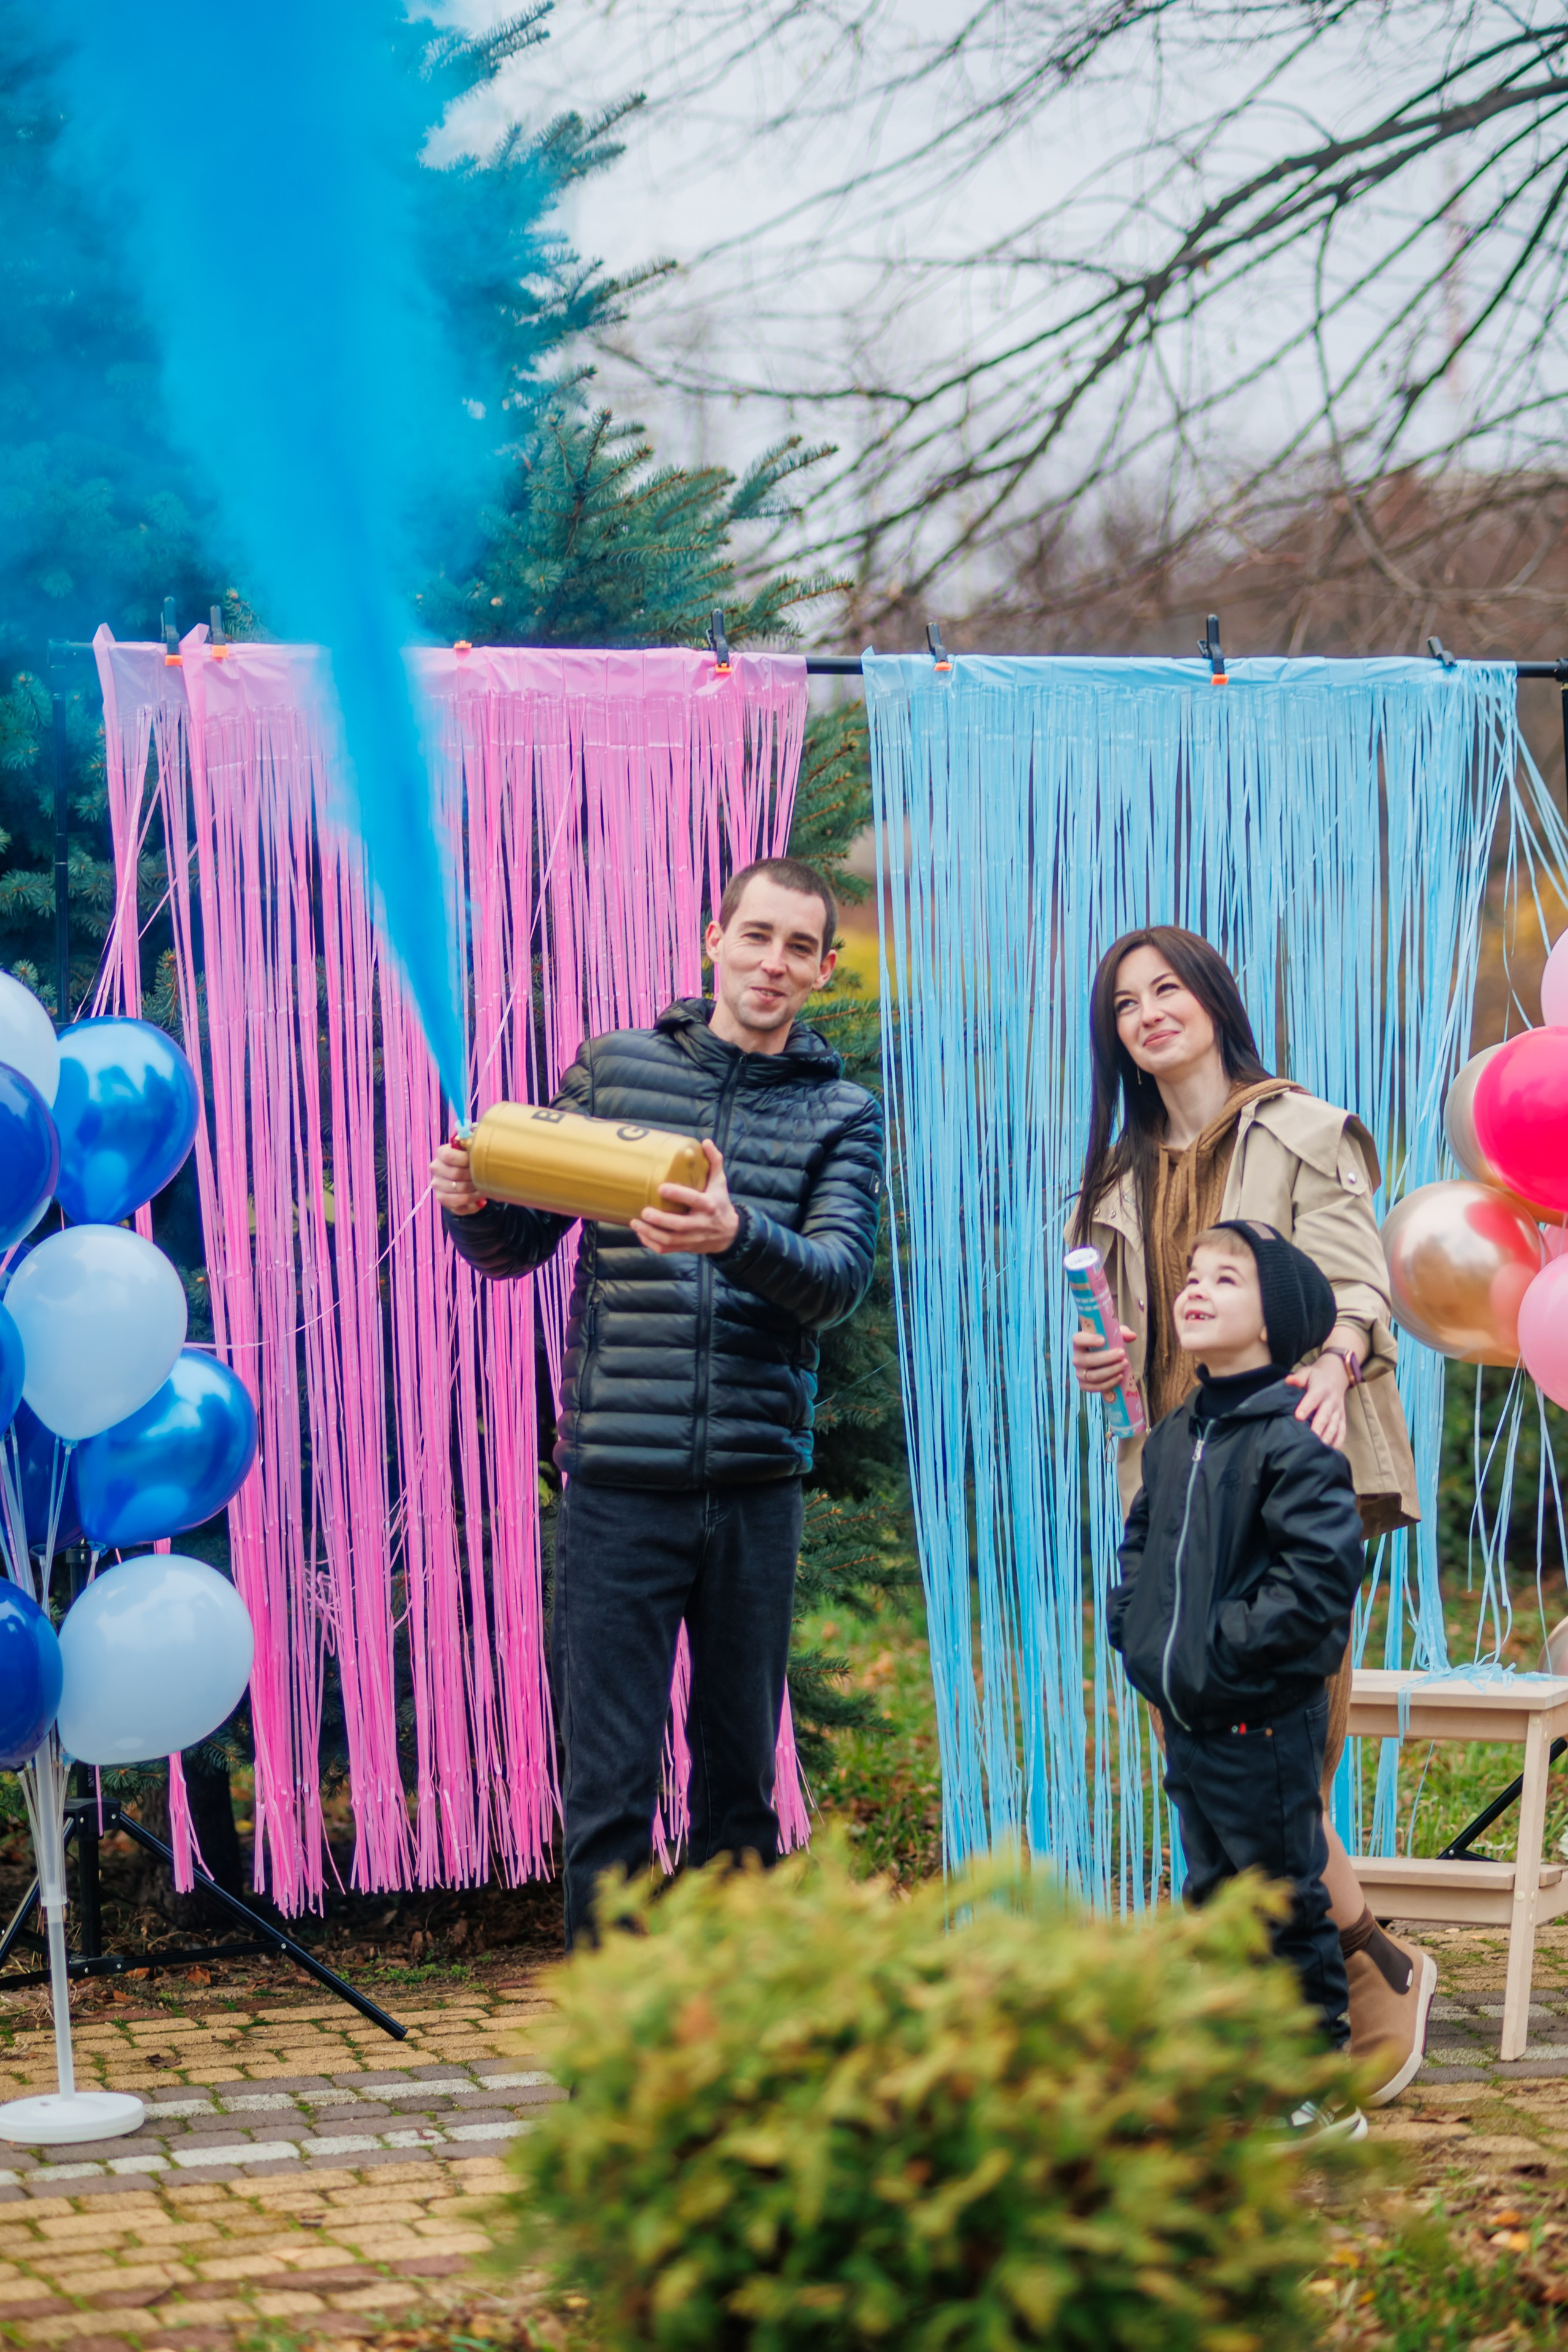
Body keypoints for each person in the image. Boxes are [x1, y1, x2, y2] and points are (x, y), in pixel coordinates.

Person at [430, 857, 883, 1947]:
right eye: (756, 935)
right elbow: (521, 1240)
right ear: (710, 939)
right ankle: (615, 2052)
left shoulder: (841, 1114)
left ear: (823, 971)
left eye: (798, 947)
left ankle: (726, 2037)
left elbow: (835, 1280)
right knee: (610, 1778)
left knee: (738, 1780)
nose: (772, 962)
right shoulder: (614, 1070)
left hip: (753, 1488)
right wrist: (471, 1207)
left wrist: (737, 1236)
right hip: (617, 1490)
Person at [1070, 924, 1436, 2104]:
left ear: (1215, 1002)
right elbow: (1143, 1346)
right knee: (1230, 1769)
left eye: (1167, 989)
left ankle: (1350, 1985)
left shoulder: (1301, 1128)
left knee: (1282, 1754)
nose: (1148, 1013)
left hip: (1291, 1461)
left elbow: (1357, 1277)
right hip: (1182, 1483)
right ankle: (1341, 1968)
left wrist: (1334, 1359)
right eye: (1126, 1003)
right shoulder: (1117, 1180)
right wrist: (1102, 1357)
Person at [1110, 1221, 1370, 2145]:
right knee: (1217, 1897)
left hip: (1259, 1720)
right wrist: (1136, 1632)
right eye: (1192, 1275)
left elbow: (1318, 1581)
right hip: (1188, 1714)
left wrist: (1225, 1652)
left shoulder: (1293, 1437)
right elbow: (1142, 1544)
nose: (1196, 1288)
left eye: (1227, 1278)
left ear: (1277, 1320)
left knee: (1282, 1896)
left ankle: (1317, 2092)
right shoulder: (1182, 1432)